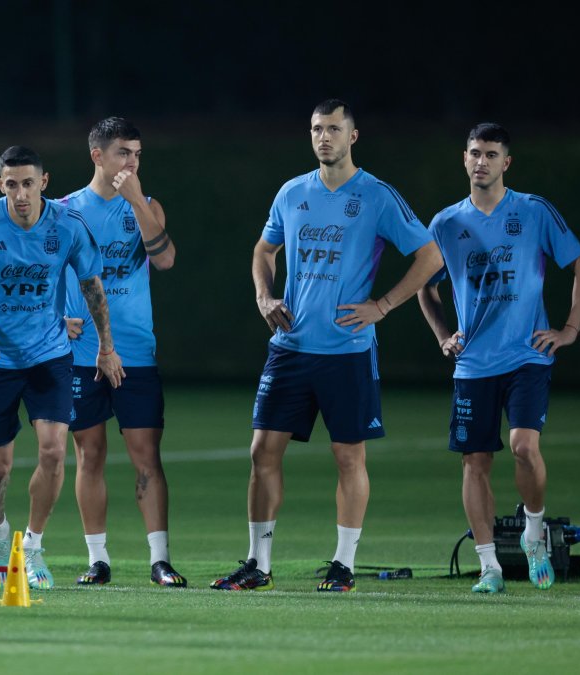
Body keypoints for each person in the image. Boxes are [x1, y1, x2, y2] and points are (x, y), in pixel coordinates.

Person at [212, 99, 443, 593]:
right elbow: (263, 248)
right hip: (291, 346)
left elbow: (429, 255)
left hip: (348, 349)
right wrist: (263, 295)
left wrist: (382, 305)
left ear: (352, 137)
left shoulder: (377, 196)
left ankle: (343, 565)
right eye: (317, 129)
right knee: (261, 453)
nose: (324, 137)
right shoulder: (293, 192)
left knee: (348, 458)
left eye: (334, 129)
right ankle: (258, 563)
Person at [416, 123, 580, 594]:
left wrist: (569, 329)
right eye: (475, 153)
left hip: (526, 355)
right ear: (464, 158)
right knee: (474, 462)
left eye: (491, 154)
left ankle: (534, 532)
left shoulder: (532, 211)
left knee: (523, 446)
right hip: (473, 363)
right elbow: (425, 287)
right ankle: (490, 566)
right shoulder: (445, 224)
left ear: (506, 163)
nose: (482, 162)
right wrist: (442, 336)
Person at [0, 146, 124, 590]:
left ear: (44, 183)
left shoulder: (67, 226)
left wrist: (106, 347)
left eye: (28, 183)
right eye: (11, 184)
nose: (20, 194)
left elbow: (91, 284)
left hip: (49, 355)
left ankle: (34, 547)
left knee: (54, 451)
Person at [59, 117, 185, 587]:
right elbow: (42, 271)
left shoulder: (146, 205)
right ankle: (98, 559)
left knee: (146, 456)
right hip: (80, 355)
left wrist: (135, 199)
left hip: (136, 353)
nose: (131, 162)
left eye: (136, 154)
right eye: (122, 153)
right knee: (88, 455)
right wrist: (57, 318)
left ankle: (160, 560)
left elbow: (165, 257)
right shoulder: (65, 211)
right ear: (97, 155)